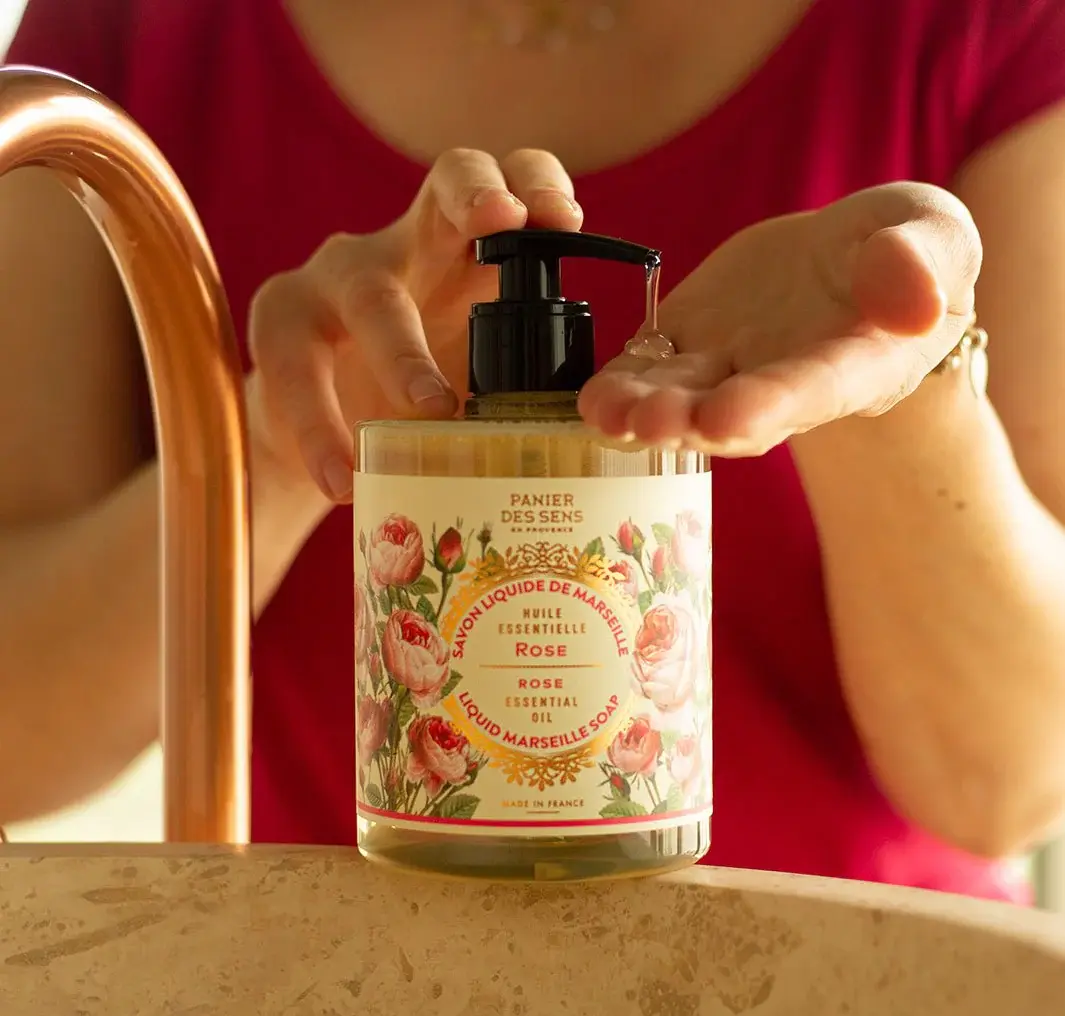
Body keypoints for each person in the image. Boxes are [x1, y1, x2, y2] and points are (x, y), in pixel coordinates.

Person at [1, 0, 1064, 904]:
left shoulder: (986, 23)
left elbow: (1010, 786)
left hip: (856, 1003)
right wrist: (281, 442)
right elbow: (17, 739)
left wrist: (892, 393)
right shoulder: (136, 25)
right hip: (344, 1002)